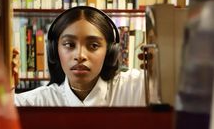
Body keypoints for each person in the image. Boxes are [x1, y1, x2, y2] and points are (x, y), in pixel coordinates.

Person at [14, 6, 146, 107]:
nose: (80, 55)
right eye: (69, 44)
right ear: (54, 50)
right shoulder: (38, 102)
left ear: (110, 52)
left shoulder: (136, 88)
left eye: (93, 45)